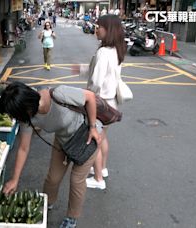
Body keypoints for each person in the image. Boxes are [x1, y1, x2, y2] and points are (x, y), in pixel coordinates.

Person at [0, 82, 101, 228]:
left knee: (76, 180)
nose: (14, 119)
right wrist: (15, 179)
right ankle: (47, 202)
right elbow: (23, 148)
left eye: (14, 115)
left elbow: (90, 97)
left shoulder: (59, 94)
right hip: (63, 141)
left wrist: (93, 127)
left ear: (25, 107)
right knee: (53, 178)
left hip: (86, 137)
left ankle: (72, 217)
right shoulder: (27, 119)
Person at [85, 14, 126, 189]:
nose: (96, 29)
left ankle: (98, 179)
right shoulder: (117, 50)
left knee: (94, 140)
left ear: (107, 30)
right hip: (111, 102)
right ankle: (102, 169)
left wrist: (87, 98)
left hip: (99, 103)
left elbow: (96, 82)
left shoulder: (103, 52)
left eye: (99, 26)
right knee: (102, 138)